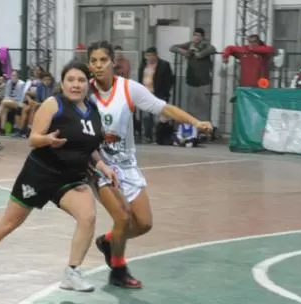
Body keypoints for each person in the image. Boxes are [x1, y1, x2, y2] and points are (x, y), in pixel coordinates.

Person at [0, 61, 118, 292]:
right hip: (40, 173)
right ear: (63, 83)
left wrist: (103, 166)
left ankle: (72, 272)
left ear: (87, 84)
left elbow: (89, 147)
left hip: (69, 179)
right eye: (71, 80)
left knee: (88, 215)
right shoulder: (54, 105)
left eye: (81, 80)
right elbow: (33, 139)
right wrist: (48, 140)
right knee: (9, 223)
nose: (76, 85)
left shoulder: (92, 111)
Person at [85, 40, 213, 288]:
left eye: (103, 60)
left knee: (143, 223)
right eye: (93, 61)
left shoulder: (128, 89)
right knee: (122, 217)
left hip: (127, 165)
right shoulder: (85, 91)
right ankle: (118, 269)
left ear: (113, 61)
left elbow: (163, 108)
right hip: (98, 166)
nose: (98, 65)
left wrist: (195, 123)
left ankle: (109, 241)